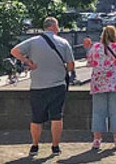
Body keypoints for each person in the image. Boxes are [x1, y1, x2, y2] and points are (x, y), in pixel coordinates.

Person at [10, 16, 75, 156]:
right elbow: (70, 66)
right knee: (56, 117)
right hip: (57, 85)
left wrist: (28, 62)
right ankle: (55, 146)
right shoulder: (63, 43)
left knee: (36, 118)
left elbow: (14, 51)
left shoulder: (33, 42)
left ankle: (35, 145)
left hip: (37, 85)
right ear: (53, 27)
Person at [87, 25, 116, 150]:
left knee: (98, 112)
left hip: (98, 83)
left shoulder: (95, 47)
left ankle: (97, 140)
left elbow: (89, 63)